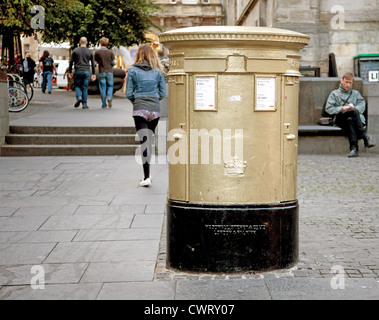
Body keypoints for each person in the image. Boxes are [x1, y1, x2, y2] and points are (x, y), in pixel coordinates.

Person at [126, 44, 166, 187]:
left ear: (138, 55)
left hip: (140, 109)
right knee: (149, 140)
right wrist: (154, 100)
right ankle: (147, 176)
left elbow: (128, 93)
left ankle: (146, 176)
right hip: (154, 110)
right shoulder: (158, 71)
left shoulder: (132, 70)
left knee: (144, 142)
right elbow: (163, 93)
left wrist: (137, 101)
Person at [325, 72, 376, 157]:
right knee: (351, 112)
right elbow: (329, 108)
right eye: (346, 82)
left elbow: (362, 106)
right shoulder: (334, 94)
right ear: (342, 81)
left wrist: (353, 109)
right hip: (340, 118)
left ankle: (354, 149)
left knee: (350, 119)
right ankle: (365, 137)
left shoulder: (356, 94)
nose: (348, 85)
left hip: (352, 120)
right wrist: (342, 108)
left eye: (350, 83)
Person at [68, 37, 96, 109]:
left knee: (77, 86)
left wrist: (70, 71)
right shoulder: (90, 52)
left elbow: (71, 62)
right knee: (85, 87)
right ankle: (84, 104)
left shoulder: (75, 51)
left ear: (80, 42)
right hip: (86, 71)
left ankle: (79, 97)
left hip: (77, 70)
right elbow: (93, 64)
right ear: (87, 42)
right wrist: (93, 74)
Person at [95, 37, 116, 109]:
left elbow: (95, 62)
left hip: (101, 71)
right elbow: (115, 62)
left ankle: (104, 104)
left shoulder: (97, 52)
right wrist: (112, 64)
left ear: (100, 43)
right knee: (110, 86)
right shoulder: (110, 52)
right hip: (109, 71)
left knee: (102, 88)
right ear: (107, 43)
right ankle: (109, 97)